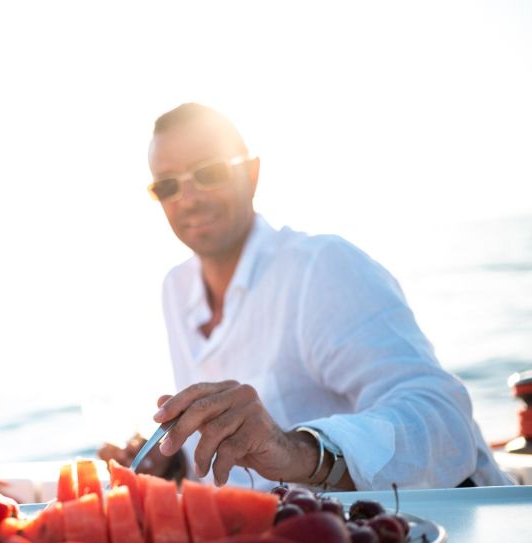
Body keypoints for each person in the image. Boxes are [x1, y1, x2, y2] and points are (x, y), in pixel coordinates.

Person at [100, 103, 510, 491]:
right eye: (168, 185)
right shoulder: (175, 289)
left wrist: (295, 451)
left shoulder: (322, 269)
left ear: (253, 174)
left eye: (208, 172)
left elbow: (441, 418)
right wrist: (174, 460)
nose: (188, 199)